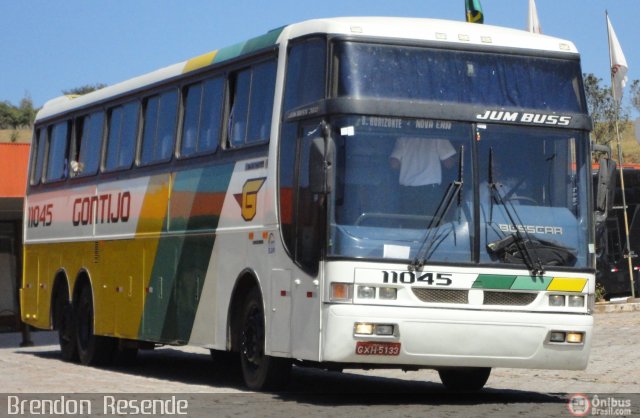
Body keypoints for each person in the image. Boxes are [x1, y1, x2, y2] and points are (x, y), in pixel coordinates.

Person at [389, 136, 456, 216]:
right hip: (430, 193)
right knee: (432, 225)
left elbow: (394, 163)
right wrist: (460, 154)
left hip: (408, 193)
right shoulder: (437, 135)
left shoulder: (404, 138)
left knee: (409, 226)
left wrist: (406, 167)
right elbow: (448, 163)